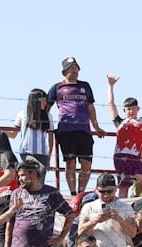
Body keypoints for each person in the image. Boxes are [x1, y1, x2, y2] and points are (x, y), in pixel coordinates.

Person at [48, 57, 106, 194]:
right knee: (70, 163)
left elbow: (90, 107)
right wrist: (44, 125)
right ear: (64, 71)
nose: (74, 70)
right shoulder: (57, 87)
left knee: (86, 163)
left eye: (76, 67)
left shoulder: (85, 86)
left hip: (84, 129)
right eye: (70, 68)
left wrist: (96, 126)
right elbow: (46, 107)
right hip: (66, 129)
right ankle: (73, 192)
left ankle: (81, 192)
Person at [10, 157, 74, 247]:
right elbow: (10, 221)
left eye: (22, 175)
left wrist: (61, 237)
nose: (20, 179)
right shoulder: (16, 193)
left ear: (33, 174)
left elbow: (70, 214)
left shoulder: (51, 193)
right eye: (18, 176)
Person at [78, 174, 136, 247]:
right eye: (102, 192)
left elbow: (132, 233)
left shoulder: (125, 208)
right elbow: (80, 233)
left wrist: (119, 219)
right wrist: (95, 221)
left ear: (115, 189)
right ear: (96, 190)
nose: (105, 195)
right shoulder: (89, 207)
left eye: (109, 191)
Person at [105, 75, 142, 196]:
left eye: (133, 108)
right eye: (128, 109)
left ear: (138, 108)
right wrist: (110, 86)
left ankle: (135, 196)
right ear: (124, 110)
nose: (131, 111)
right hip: (120, 156)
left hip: (136, 156)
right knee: (123, 185)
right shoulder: (120, 122)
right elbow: (110, 104)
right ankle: (123, 209)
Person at [9, 88, 54, 180]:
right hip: (27, 152)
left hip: (42, 153)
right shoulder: (22, 114)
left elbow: (50, 138)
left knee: (40, 180)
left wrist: (48, 156)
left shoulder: (48, 116)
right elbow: (13, 134)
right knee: (32, 176)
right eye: (43, 101)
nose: (45, 103)